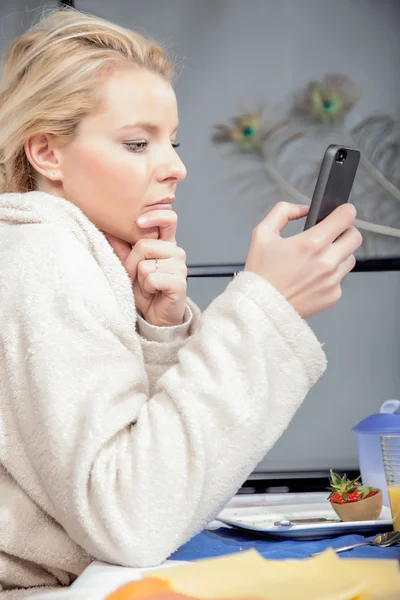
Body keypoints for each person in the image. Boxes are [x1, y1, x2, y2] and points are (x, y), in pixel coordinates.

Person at [0, 7, 362, 598]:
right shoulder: (41, 250)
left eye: (172, 141)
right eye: (138, 142)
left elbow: (134, 477)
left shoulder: (67, 253)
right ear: (46, 154)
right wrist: (267, 307)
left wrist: (159, 332)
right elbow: (131, 518)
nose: (176, 167)